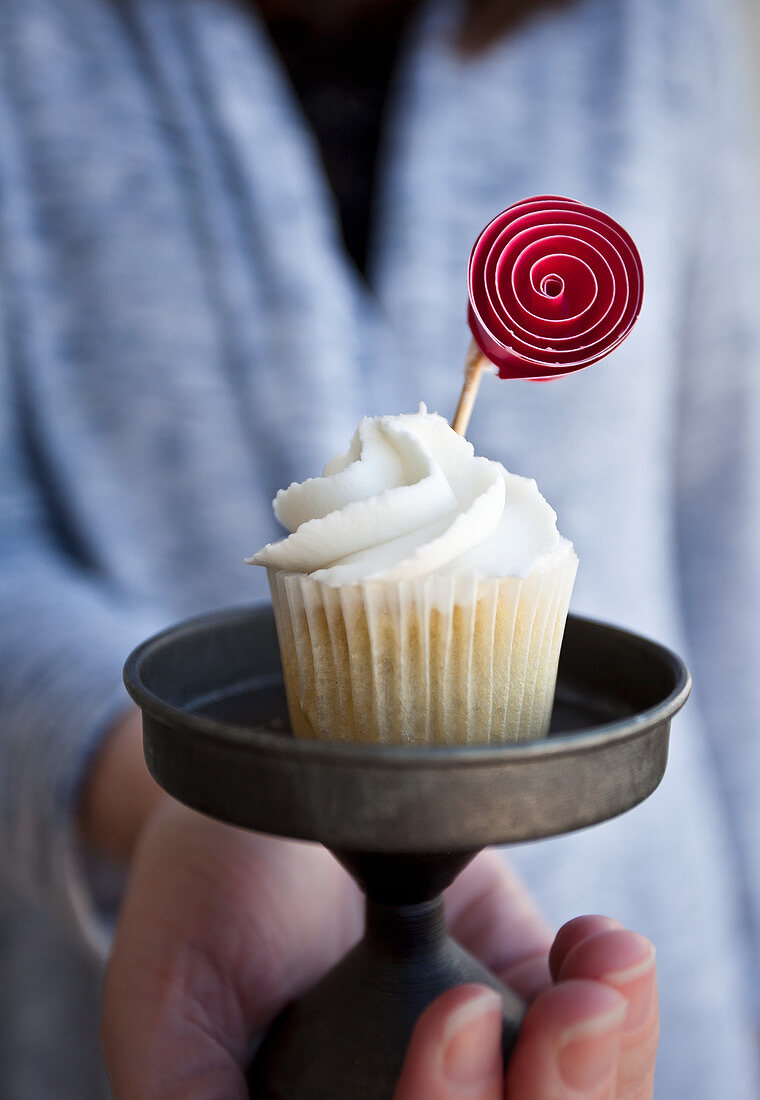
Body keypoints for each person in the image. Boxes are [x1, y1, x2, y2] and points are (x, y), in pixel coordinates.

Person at [0, 0, 757, 1096]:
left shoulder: (648, 29)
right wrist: (181, 803)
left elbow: (730, 539)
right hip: (176, 969)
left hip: (648, 985)